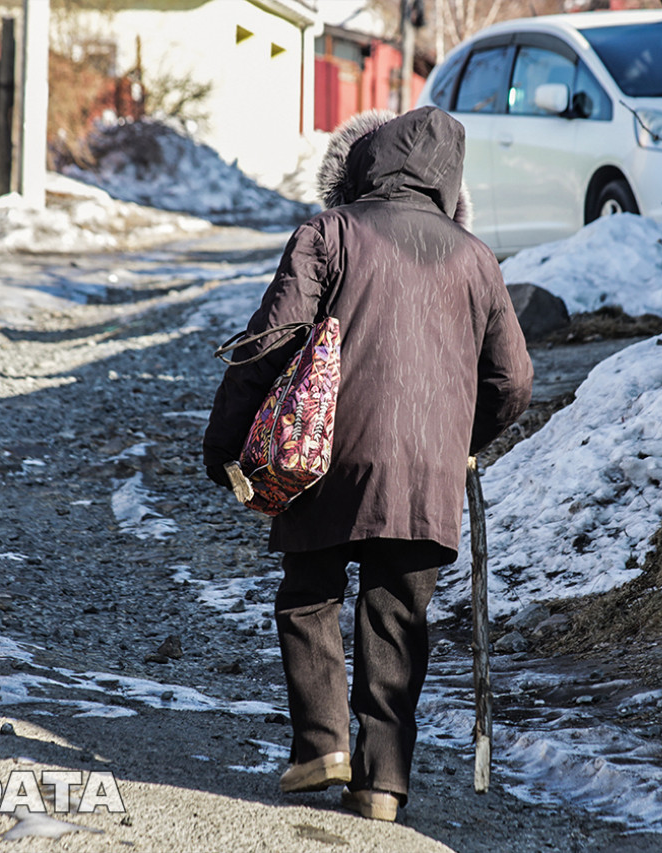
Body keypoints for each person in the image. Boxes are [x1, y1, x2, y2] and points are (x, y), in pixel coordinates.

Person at [202, 106, 532, 821]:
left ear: (363, 165)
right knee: (396, 617)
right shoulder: (476, 258)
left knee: (309, 591)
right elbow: (514, 379)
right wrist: (462, 440)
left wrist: (224, 441)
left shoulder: (329, 232)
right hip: (426, 476)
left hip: (330, 456)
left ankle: (322, 742)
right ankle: (383, 781)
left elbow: (271, 340)